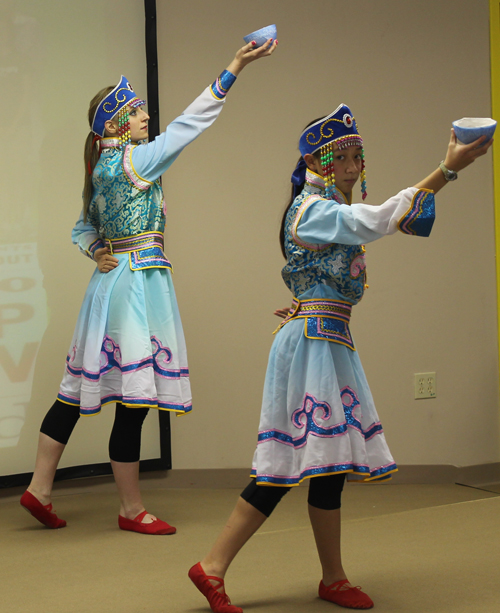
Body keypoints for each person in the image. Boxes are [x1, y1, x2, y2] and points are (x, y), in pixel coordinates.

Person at [188, 105, 492, 610]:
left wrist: (309, 297)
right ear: (318, 162)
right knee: (286, 463)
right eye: (340, 158)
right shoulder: (313, 210)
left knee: (329, 464)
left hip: (326, 338)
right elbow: (375, 221)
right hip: (312, 344)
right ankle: (212, 566)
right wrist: (448, 169)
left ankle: (333, 576)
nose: (352, 167)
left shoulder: (325, 209)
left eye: (357, 156)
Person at [20, 38, 278, 535]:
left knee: (76, 390)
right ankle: (131, 509)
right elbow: (188, 126)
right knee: (135, 397)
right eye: (136, 111)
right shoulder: (135, 164)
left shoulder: (100, 169)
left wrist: (97, 250)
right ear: (116, 124)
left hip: (109, 286)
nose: (144, 116)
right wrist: (234, 66)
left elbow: (82, 227)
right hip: (137, 285)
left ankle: (39, 487)